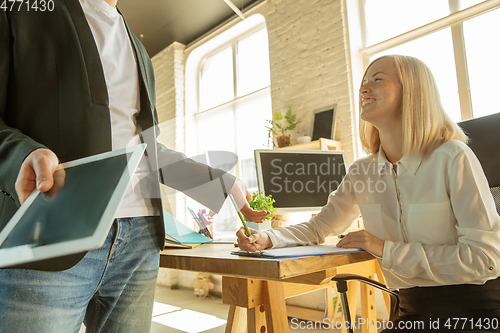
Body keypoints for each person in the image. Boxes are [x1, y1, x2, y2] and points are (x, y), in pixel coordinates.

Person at [0, 0, 269, 332]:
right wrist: (21, 154)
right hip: (50, 232)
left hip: (139, 240)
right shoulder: (22, 10)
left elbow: (145, 151)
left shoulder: (138, 47)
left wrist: (222, 182)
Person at [237, 55, 500, 331]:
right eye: (363, 82)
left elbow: (486, 258)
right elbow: (318, 228)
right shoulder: (362, 172)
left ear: (413, 91)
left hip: (475, 310)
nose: (363, 89)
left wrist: (386, 249)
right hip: (411, 313)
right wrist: (266, 237)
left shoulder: (453, 157)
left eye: (377, 80)